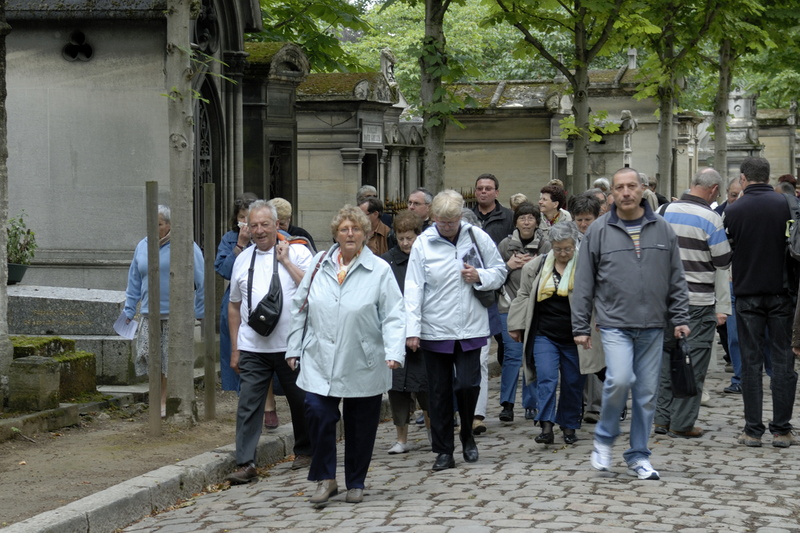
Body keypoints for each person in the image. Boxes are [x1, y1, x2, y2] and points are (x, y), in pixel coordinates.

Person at [572, 167, 690, 481]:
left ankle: (638, 456)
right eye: (620, 187)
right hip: (614, 323)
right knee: (620, 379)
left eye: (631, 186)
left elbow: (676, 277)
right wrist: (580, 326)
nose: (626, 192)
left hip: (653, 324)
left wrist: (680, 317)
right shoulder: (598, 230)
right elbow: (583, 282)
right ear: (611, 193)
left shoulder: (662, 228)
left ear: (642, 190)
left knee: (646, 395)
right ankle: (605, 437)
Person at [286, 205, 405, 507]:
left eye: (355, 229)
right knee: (317, 411)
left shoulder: (379, 269)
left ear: (365, 234)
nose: (349, 234)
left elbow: (393, 314)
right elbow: (300, 307)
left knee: (360, 424)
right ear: (335, 234)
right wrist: (293, 347)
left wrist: (394, 351)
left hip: (363, 357)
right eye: (343, 229)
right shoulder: (318, 263)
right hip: (319, 356)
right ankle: (326, 479)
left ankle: (356, 481)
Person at [405, 190, 506, 472]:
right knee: (438, 392)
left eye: (452, 221)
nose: (448, 226)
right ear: (434, 218)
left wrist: (480, 276)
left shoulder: (476, 236)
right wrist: (412, 330)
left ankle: (467, 435)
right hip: (435, 328)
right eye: (443, 221)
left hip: (470, 324)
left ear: (460, 216)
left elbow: (500, 271)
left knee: (467, 384)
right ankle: (443, 450)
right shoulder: (423, 244)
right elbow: (413, 288)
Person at [224, 201, 314, 485]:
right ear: (247, 228)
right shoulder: (242, 259)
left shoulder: (298, 251)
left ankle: (306, 450)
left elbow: (313, 289)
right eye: (254, 225)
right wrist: (236, 348)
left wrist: (285, 261)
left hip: (292, 345)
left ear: (278, 225)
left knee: (301, 401)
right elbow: (234, 306)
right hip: (253, 347)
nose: (260, 230)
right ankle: (246, 462)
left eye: (265, 224)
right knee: (249, 403)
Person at [723, 156, 798, 448]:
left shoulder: (735, 209)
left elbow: (726, 250)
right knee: (782, 362)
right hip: (782, 292)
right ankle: (781, 429)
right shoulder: (786, 205)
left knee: (751, 363)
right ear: (768, 177)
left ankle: (753, 430)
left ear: (743, 178)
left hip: (747, 293)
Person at [654, 168, 732, 439]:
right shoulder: (711, 218)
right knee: (693, 361)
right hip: (696, 301)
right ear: (713, 190)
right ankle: (682, 422)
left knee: (665, 359)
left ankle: (661, 419)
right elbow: (723, 260)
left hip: (663, 299)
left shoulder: (662, 212)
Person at [124, 204, 205, 418]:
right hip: (149, 312)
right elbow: (133, 279)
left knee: (169, 359)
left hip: (175, 314)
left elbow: (200, 278)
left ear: (168, 225)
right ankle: (158, 395)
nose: (153, 227)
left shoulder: (185, 244)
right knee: (149, 356)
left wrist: (200, 310)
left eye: (158, 224)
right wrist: (129, 309)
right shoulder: (142, 245)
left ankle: (164, 400)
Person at [509, 221, 585, 445]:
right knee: (546, 378)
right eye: (558, 248)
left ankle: (569, 426)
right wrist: (516, 324)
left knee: (573, 382)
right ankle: (546, 425)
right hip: (544, 334)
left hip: (575, 335)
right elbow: (522, 295)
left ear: (575, 245)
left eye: (568, 248)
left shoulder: (584, 267)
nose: (563, 253)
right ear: (551, 246)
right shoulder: (537, 266)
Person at [496, 202, 550, 423]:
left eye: (530, 218)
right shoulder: (505, 245)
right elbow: (495, 275)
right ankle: (506, 404)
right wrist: (509, 265)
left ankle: (531, 403)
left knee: (532, 356)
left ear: (537, 221)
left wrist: (534, 265)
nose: (526, 222)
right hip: (508, 304)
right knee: (512, 355)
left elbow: (552, 272)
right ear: (515, 221)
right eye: (522, 218)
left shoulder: (546, 245)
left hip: (536, 307)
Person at [381, 210, 430, 454]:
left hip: (425, 331)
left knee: (427, 386)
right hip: (396, 331)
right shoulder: (387, 261)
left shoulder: (427, 257)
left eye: (409, 238)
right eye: (400, 238)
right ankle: (401, 438)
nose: (405, 243)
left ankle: (434, 433)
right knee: (397, 387)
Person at [214, 193, 257, 394]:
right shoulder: (229, 239)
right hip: (235, 300)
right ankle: (241, 394)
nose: (245, 222)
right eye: (242, 217)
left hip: (260, 300)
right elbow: (223, 270)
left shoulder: (264, 238)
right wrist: (240, 246)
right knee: (235, 348)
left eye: (249, 217)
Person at [471, 173, 513, 244]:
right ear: (475, 192)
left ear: (496, 193)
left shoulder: (510, 217)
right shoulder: (467, 217)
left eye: (488, 189)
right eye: (479, 189)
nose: (483, 191)